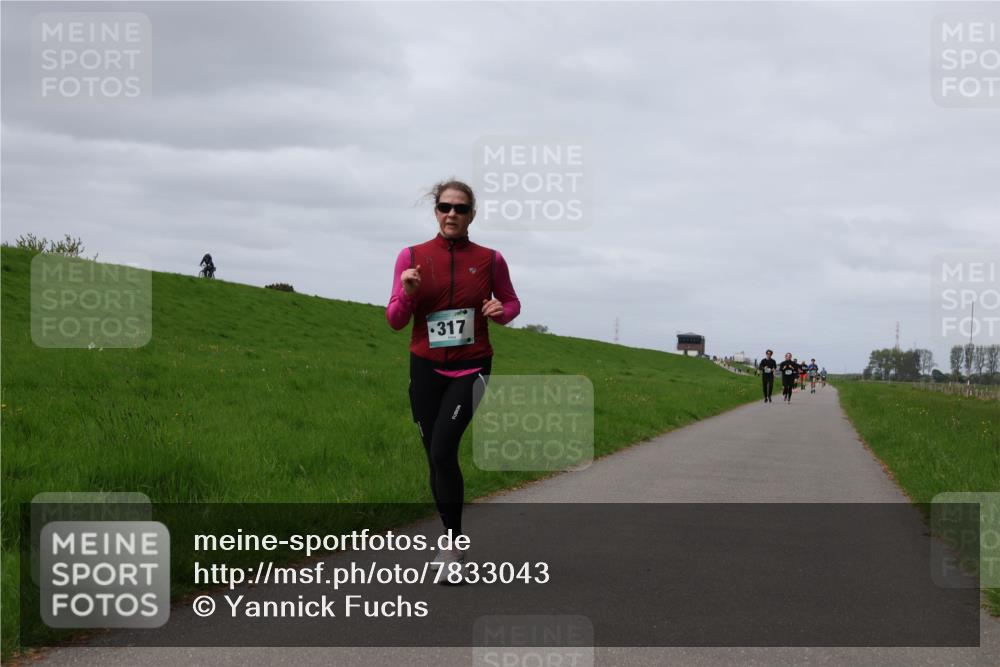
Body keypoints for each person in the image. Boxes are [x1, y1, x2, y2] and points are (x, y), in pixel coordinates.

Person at [386, 179, 520, 575]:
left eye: (460, 209)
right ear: (435, 211)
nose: (451, 214)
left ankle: (453, 552)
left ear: (471, 215)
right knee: (435, 457)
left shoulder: (491, 259)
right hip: (425, 368)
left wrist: (502, 311)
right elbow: (395, 321)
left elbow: (511, 302)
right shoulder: (411, 257)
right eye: (445, 207)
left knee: (444, 450)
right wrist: (409, 294)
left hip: (472, 366)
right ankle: (451, 539)